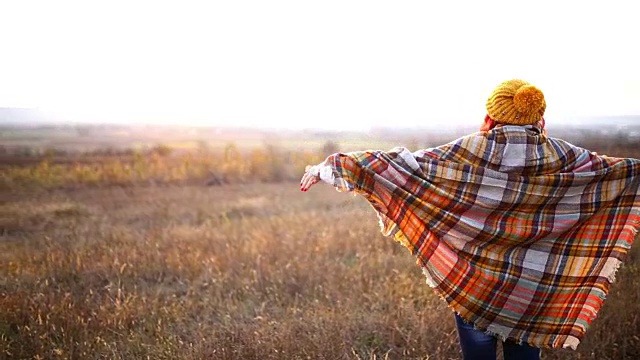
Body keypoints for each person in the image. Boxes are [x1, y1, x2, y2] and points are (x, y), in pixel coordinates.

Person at [300, 79, 640, 360]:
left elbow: (403, 165)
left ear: (491, 116)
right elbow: (616, 171)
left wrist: (329, 168)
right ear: (539, 118)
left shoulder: (469, 149)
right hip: (531, 289)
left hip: (475, 285)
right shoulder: (563, 154)